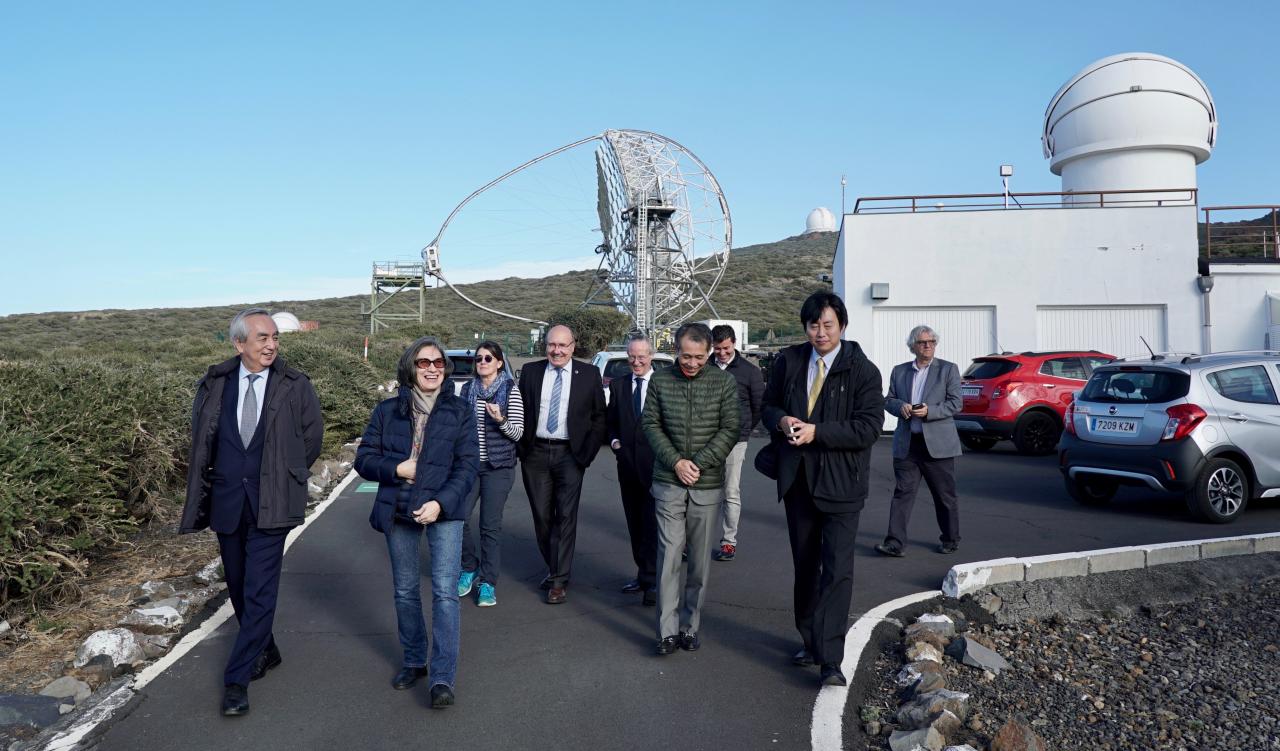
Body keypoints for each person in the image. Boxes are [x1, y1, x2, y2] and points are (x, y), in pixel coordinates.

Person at [180, 308, 323, 716]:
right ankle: (267, 648)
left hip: (273, 503)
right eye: (262, 338)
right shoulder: (215, 384)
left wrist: (284, 473)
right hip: (228, 503)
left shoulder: (295, 385)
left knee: (260, 590)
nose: (272, 344)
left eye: (275, 337)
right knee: (241, 587)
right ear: (239, 343)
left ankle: (237, 679)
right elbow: (202, 437)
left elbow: (312, 438)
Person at [761, 291, 883, 687]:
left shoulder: (862, 370)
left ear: (842, 326)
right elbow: (768, 405)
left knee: (836, 572)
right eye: (813, 325)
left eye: (828, 324)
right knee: (805, 568)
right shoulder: (789, 361)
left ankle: (830, 658)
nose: (820, 332)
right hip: (798, 483)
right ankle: (810, 640)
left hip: (842, 485)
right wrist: (781, 422)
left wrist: (818, 432)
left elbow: (868, 428)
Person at [354, 337, 478, 709]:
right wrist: (396, 468)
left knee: (444, 593)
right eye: (424, 363)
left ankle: (442, 677)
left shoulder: (460, 410)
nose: (432, 369)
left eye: (438, 363)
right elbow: (364, 459)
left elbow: (468, 465)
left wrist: (441, 503)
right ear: (411, 368)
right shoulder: (387, 411)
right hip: (399, 508)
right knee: (406, 591)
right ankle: (413, 660)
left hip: (444, 510)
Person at [642, 322, 740, 655]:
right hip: (669, 483)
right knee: (669, 557)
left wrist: (697, 462)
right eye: (686, 356)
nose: (693, 363)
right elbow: (650, 424)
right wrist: (676, 463)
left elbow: (730, 428)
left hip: (707, 484)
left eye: (700, 357)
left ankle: (689, 626)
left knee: (698, 563)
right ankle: (666, 631)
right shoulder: (659, 380)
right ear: (675, 351)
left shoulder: (724, 382)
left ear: (709, 352)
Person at [517, 324, 607, 604]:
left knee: (566, 516)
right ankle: (555, 566)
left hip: (571, 454)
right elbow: (519, 410)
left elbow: (599, 417)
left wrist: (587, 453)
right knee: (543, 517)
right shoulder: (531, 372)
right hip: (536, 453)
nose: (556, 350)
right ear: (545, 346)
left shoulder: (589, 374)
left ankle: (558, 579)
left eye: (563, 345)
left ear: (573, 346)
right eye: (551, 345)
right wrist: (522, 448)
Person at [874, 325, 963, 557]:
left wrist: (929, 411)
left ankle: (950, 539)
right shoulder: (900, 371)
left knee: (944, 496)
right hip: (908, 444)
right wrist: (899, 406)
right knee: (902, 494)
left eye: (932, 341)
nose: (928, 345)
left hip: (938, 445)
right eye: (923, 342)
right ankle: (894, 543)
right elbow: (889, 399)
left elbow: (956, 403)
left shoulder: (948, 370)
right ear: (913, 346)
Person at [457, 340, 524, 607]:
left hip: (499, 468)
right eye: (479, 359)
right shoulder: (467, 390)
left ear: (499, 363)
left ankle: (487, 582)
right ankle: (469, 566)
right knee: (457, 516)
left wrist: (500, 420)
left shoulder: (510, 390)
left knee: (490, 526)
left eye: (488, 358)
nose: (482, 362)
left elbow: (518, 433)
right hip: (470, 466)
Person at [606, 336, 660, 606]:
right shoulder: (618, 385)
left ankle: (653, 580)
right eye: (632, 356)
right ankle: (642, 574)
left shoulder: (664, 385)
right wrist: (615, 443)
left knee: (652, 525)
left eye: (642, 357)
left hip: (657, 467)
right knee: (635, 524)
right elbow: (611, 421)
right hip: (627, 466)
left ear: (651, 355)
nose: (636, 362)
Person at [710, 324, 764, 562]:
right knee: (702, 493)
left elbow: (758, 406)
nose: (721, 353)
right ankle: (695, 541)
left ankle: (729, 541)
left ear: (734, 344)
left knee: (730, 491)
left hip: (735, 440)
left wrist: (743, 431)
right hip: (706, 439)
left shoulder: (750, 371)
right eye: (717, 348)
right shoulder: (705, 366)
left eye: (726, 348)